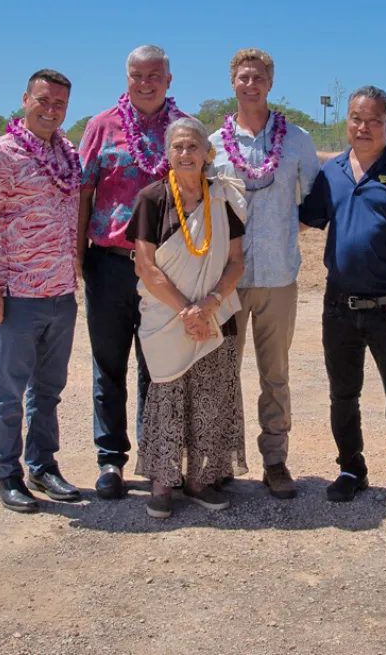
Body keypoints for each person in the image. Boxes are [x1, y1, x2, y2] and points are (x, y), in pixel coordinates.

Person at [299, 86, 386, 510]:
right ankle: (350, 469)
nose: (363, 127)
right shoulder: (333, 171)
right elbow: (306, 222)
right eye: (356, 119)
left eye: (373, 120)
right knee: (343, 394)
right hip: (338, 306)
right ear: (347, 122)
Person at [207, 48, 320, 499]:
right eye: (242, 76)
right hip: (225, 279)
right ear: (232, 83)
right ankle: (218, 460)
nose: (250, 84)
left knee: (275, 374)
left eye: (258, 77)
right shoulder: (212, 143)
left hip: (278, 278)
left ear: (270, 83)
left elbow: (314, 201)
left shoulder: (297, 140)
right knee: (221, 371)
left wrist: (285, 228)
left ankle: (275, 461)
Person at [77, 45, 189, 500]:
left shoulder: (184, 130)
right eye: (136, 75)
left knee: (157, 366)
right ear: (126, 78)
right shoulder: (100, 127)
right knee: (108, 365)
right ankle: (110, 460)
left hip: (165, 268)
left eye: (154, 75)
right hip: (107, 264)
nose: (146, 82)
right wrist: (75, 253)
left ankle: (156, 455)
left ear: (169, 78)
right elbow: (83, 192)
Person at [0, 69, 82, 513]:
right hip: (17, 295)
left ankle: (43, 465)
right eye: (44, 100)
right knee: (9, 391)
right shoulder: (3, 154)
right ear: (25, 99)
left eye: (59, 103)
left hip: (60, 294)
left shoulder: (67, 153)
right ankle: (7, 476)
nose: (51, 109)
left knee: (49, 390)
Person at [127, 117, 249, 518]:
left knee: (211, 397)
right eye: (177, 147)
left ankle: (200, 479)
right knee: (167, 395)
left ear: (206, 152)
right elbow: (146, 267)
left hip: (214, 314)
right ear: (167, 153)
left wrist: (209, 304)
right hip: (167, 318)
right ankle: (163, 482)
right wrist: (186, 311)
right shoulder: (151, 198)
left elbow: (235, 261)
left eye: (192, 146)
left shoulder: (223, 198)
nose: (185, 154)